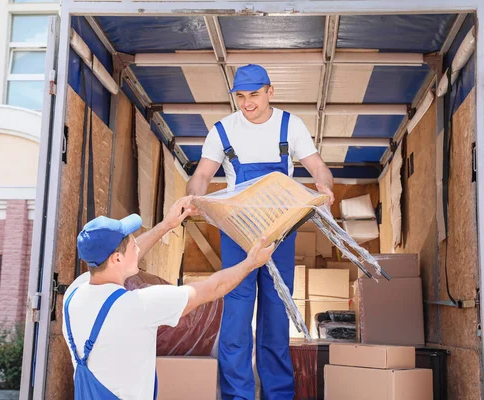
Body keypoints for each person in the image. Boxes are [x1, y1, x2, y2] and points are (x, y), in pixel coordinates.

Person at [186, 64, 335, 400]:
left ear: (270, 91)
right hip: (237, 232)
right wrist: (195, 195)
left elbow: (317, 167)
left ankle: (278, 395)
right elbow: (202, 175)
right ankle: (237, 395)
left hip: (280, 230)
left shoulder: (290, 125)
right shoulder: (223, 130)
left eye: (254, 94)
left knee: (276, 314)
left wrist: (324, 188)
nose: (247, 102)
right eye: (240, 96)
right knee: (237, 317)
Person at [62, 196, 275, 400]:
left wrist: (166, 225)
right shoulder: (138, 307)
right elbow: (211, 288)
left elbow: (120, 258)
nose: (137, 246)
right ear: (117, 258)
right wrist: (251, 263)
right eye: (131, 244)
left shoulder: (74, 294)